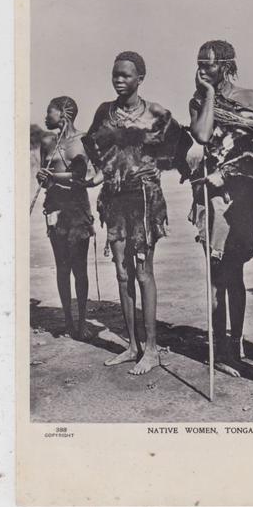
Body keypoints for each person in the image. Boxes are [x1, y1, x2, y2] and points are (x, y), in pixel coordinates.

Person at [83, 51, 191, 375]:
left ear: (140, 78)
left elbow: (182, 144)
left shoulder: (156, 113)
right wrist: (104, 168)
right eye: (115, 74)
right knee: (122, 272)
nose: (118, 80)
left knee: (143, 272)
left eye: (126, 75)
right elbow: (91, 142)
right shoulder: (105, 111)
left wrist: (170, 165)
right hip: (115, 199)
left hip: (144, 199)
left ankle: (153, 349)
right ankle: (132, 346)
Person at [189, 40, 253, 377]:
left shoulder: (249, 97)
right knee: (215, 273)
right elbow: (201, 135)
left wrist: (230, 175)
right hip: (210, 193)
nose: (202, 69)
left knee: (234, 272)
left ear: (226, 64)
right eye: (199, 63)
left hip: (241, 195)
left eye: (209, 64)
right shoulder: (198, 100)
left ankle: (234, 343)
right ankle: (219, 347)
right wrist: (209, 94)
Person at [36, 96, 94, 340]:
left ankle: (82, 322)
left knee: (79, 267)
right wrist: (43, 178)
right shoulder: (47, 141)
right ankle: (68, 322)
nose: (46, 117)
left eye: (50, 112)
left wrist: (58, 178)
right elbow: (45, 178)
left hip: (78, 209)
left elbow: (86, 177)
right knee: (62, 266)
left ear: (64, 114)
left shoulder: (83, 141)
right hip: (55, 208)